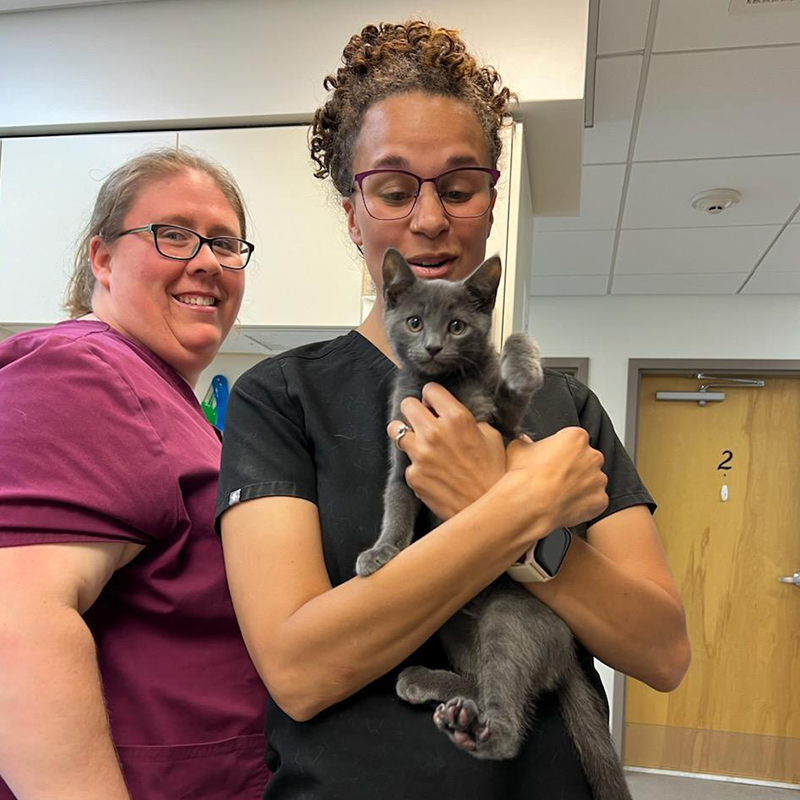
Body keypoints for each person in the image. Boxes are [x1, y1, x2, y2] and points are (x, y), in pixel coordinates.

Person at [217, 21, 691, 800]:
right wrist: (515, 505)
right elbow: (300, 674)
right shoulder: (279, 398)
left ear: (489, 202)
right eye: (396, 190)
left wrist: (512, 524)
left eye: (459, 187)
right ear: (352, 212)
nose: (430, 219)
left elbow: (663, 652)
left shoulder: (564, 403)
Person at [0, 150, 269, 800]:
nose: (206, 260)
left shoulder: (160, 397)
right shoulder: (83, 374)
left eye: (227, 243)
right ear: (101, 258)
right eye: (173, 234)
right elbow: (16, 620)